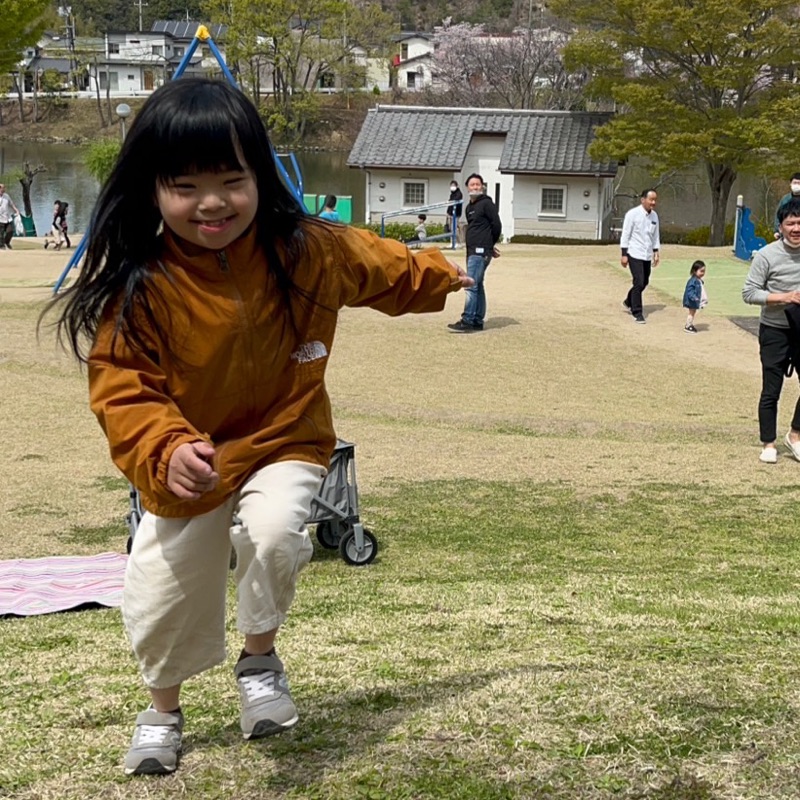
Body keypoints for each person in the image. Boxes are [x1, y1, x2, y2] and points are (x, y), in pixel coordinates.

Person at [44, 77, 472, 777]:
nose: (211, 202)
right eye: (185, 185)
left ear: (259, 176)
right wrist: (164, 445)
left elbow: (381, 264)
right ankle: (162, 710)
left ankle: (260, 658)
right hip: (191, 460)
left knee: (276, 534)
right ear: (152, 190)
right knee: (164, 590)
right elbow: (123, 388)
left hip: (286, 437)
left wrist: (441, 275)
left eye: (231, 180)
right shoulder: (143, 286)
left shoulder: (306, 249)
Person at [742, 197, 800, 464]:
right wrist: (785, 297)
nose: (796, 228)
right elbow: (749, 293)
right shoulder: (767, 255)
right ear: (781, 226)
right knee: (771, 389)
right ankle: (768, 443)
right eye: (791, 223)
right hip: (774, 329)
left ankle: (796, 435)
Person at [447, 173, 502, 333]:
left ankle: (468, 320)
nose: (475, 187)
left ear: (482, 186)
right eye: (472, 185)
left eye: (478, 184)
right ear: (467, 187)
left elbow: (496, 225)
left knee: (470, 285)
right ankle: (477, 319)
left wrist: (490, 245)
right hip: (472, 251)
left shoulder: (487, 204)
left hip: (480, 251)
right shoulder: (469, 207)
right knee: (478, 285)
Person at [620, 189, 660, 324]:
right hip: (634, 252)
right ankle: (637, 312)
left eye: (655, 200)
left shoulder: (654, 216)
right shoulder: (632, 214)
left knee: (645, 282)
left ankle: (628, 300)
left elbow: (655, 235)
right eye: (651, 200)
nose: (653, 203)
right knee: (638, 281)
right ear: (643, 200)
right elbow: (625, 234)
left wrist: (656, 251)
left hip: (647, 254)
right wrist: (624, 254)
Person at [682, 260, 707, 334]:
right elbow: (689, 291)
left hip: (694, 300)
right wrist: (694, 298)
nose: (703, 273)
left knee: (693, 312)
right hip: (691, 300)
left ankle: (689, 324)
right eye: (701, 271)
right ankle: (688, 326)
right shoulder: (693, 281)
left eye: (704, 271)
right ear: (695, 271)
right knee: (691, 312)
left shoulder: (698, 280)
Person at [774, 173, 800, 239]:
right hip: (787, 233)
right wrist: (776, 231)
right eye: (795, 183)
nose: (796, 185)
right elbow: (778, 215)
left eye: (799, 183)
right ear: (790, 184)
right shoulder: (785, 199)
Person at [0, 183, 20, 249]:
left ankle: (7, 242)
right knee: (1, 234)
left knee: (10, 231)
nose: (4, 189)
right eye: (2, 188)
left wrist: (16, 210)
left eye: (4, 188)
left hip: (7, 218)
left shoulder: (6, 196)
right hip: (0, 219)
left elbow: (11, 204)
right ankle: (1, 246)